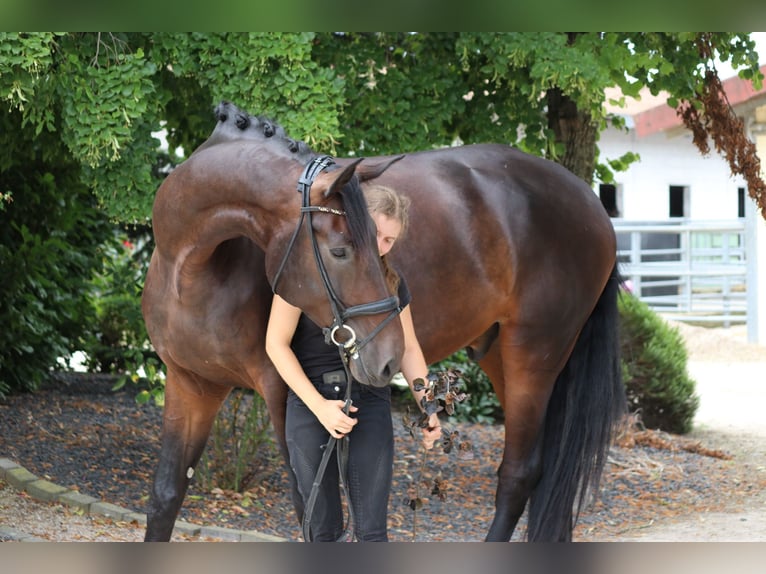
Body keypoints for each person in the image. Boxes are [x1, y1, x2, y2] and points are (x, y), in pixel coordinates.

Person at [265, 184, 441, 542]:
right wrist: (319, 408)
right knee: (322, 531)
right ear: (354, 225)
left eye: (390, 240)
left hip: (370, 399)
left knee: (372, 534)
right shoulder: (308, 270)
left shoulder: (392, 282)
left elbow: (407, 349)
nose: (381, 247)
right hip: (312, 403)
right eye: (375, 233)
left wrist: (430, 406)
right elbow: (276, 344)